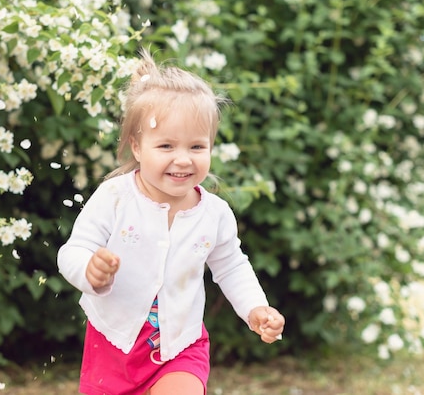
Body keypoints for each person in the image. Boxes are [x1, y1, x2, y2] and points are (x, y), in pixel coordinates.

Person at [57, 49, 285, 395]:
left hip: (180, 345)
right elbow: (73, 250)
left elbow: (232, 266)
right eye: (165, 145)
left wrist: (255, 306)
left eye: (196, 146)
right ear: (137, 146)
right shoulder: (115, 197)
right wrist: (89, 269)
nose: (183, 159)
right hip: (113, 345)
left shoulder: (215, 213)